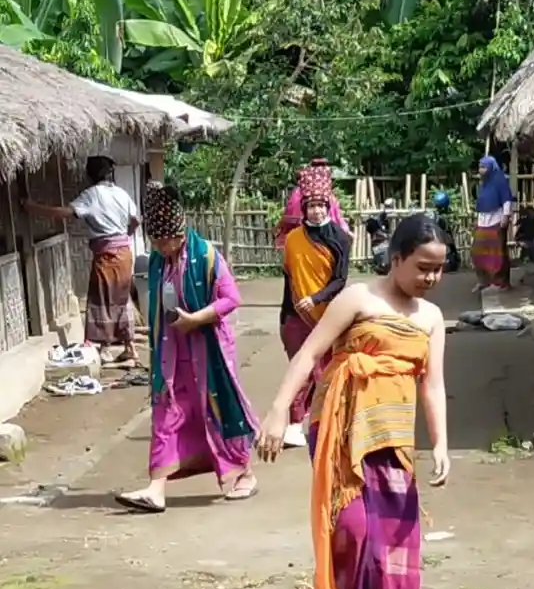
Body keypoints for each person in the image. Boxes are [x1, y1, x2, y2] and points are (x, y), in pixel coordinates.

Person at [257, 213, 452, 589]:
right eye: (423, 266)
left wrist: (442, 442)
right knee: (353, 527)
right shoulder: (358, 298)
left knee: (390, 541)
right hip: (341, 427)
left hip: (393, 436)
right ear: (397, 258)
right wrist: (279, 409)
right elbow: (309, 353)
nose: (431, 278)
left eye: (439, 269)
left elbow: (433, 386)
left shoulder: (431, 318)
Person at [114, 183, 258, 513]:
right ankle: (156, 489)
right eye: (155, 241)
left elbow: (231, 298)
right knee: (166, 413)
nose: (161, 247)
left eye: (165, 241)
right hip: (170, 354)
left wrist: (196, 319)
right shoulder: (156, 261)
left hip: (208, 352)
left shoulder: (206, 256)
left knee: (219, 411)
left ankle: (243, 473)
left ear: (180, 233)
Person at [25, 155, 139, 364]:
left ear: (90, 175)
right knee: (121, 298)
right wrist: (125, 236)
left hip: (106, 254)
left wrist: (33, 208)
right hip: (124, 253)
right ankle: (129, 346)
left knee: (102, 298)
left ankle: (104, 348)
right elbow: (135, 221)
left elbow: (64, 213)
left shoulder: (91, 195)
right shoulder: (121, 193)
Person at [278, 160, 351, 449]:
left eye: (321, 205)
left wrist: (317, 298)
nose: (316, 210)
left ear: (328, 206)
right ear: (304, 208)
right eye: (311, 206)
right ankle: (296, 424)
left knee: (324, 372)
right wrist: (288, 313)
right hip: (294, 315)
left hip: (327, 315)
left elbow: (340, 281)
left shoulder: (340, 238)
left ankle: (325, 423)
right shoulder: (294, 239)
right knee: (300, 369)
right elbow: (289, 281)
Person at [472, 156, 513, 292]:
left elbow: (506, 199)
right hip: (483, 221)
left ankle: (501, 282)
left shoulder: (500, 180)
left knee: (498, 253)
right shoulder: (483, 183)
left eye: (484, 167)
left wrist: (505, 216)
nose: (481, 170)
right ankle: (483, 280)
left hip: (496, 219)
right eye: (480, 167)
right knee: (478, 251)